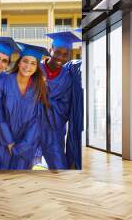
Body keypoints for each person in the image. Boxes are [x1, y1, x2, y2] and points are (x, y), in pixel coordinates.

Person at [0, 42, 50, 170]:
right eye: (25, 61)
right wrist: (9, 142)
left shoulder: (39, 87)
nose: (28, 66)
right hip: (3, 143)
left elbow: (38, 118)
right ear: (18, 62)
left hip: (27, 144)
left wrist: (25, 144)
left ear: (36, 67)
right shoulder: (0, 83)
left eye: (33, 63)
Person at [38, 31, 83, 169]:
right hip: (30, 128)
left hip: (53, 132)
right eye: (57, 52)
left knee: (59, 167)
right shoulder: (35, 69)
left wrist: (44, 99)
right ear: (50, 50)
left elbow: (66, 105)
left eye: (66, 54)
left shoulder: (68, 77)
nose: (61, 58)